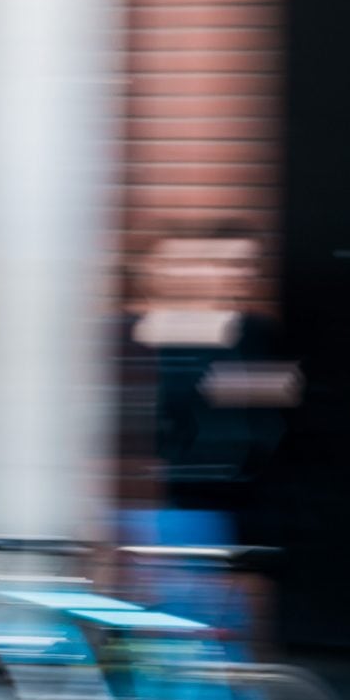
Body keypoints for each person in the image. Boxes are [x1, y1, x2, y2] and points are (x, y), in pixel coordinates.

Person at [116, 234, 301, 635]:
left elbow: (286, 392)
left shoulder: (255, 331)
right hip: (172, 500)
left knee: (222, 617)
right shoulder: (134, 331)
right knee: (175, 618)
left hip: (243, 497)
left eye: (244, 266)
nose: (237, 275)